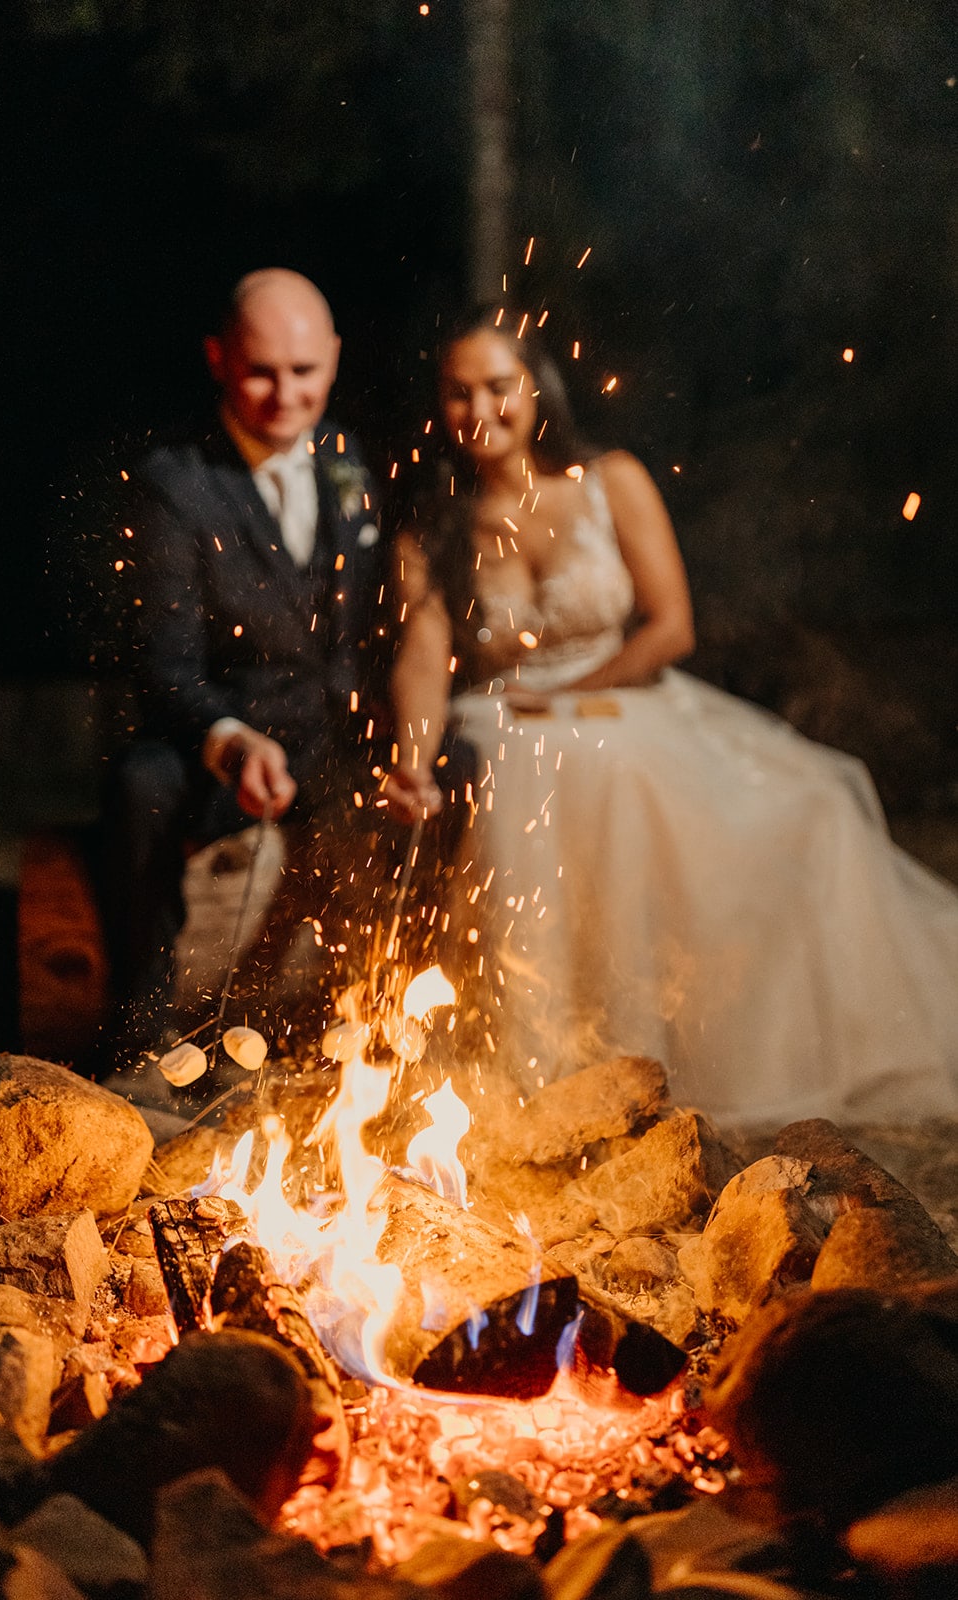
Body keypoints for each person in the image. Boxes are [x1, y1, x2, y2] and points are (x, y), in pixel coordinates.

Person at [387, 305, 958, 1126]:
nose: (478, 411)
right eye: (456, 393)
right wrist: (412, 761)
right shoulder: (432, 527)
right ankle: (545, 1066)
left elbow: (670, 626)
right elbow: (421, 655)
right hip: (504, 714)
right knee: (525, 768)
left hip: (623, 693)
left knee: (810, 808)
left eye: (496, 386)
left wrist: (578, 694)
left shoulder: (608, 479)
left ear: (534, 388)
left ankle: (694, 1053)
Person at [100, 268, 453, 1066]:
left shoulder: (347, 458)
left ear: (332, 357)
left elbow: (378, 633)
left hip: (336, 741)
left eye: (305, 372)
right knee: (140, 784)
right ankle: (139, 1036)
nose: (285, 395)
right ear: (219, 358)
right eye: (262, 371)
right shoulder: (175, 486)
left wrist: (403, 749)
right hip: (230, 746)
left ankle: (374, 1030)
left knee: (454, 765)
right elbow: (166, 668)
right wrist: (232, 745)